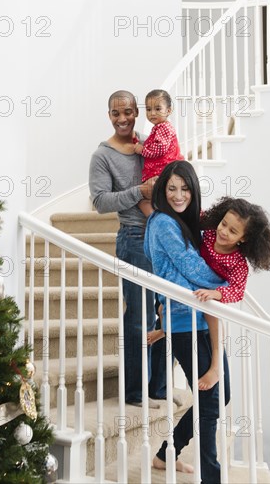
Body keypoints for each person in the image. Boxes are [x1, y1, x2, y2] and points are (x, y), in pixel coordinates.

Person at [144, 160, 230, 481]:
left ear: (193, 191)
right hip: (184, 321)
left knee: (222, 394)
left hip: (199, 319)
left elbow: (195, 263)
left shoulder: (180, 223)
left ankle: (166, 453)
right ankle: (212, 477)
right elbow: (189, 267)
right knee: (210, 405)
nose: (179, 195)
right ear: (163, 191)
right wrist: (226, 285)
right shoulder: (163, 222)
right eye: (172, 188)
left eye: (185, 189)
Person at [89, 90, 159, 408]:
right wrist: (138, 191)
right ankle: (134, 392)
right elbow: (101, 201)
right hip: (133, 239)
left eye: (128, 112)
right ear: (109, 116)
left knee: (167, 314)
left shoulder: (149, 144)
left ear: (136, 112)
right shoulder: (102, 156)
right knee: (139, 318)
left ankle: (157, 388)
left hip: (162, 237)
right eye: (116, 114)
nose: (123, 119)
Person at [193, 197, 270, 390]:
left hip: (213, 291)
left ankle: (216, 366)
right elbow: (193, 212)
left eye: (232, 231)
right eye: (223, 224)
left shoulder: (238, 262)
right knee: (164, 305)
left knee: (211, 312)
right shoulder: (208, 233)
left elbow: (238, 291)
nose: (223, 232)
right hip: (194, 282)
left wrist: (216, 293)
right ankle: (162, 331)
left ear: (243, 238)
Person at [134, 89, 183, 217]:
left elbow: (160, 148)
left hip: (162, 171)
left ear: (168, 111)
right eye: (148, 109)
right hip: (161, 171)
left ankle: (158, 221)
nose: (152, 113)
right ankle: (160, 219)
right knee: (149, 201)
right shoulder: (158, 128)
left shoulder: (164, 127)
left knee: (144, 201)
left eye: (157, 109)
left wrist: (142, 150)